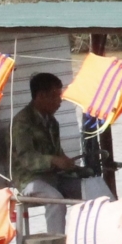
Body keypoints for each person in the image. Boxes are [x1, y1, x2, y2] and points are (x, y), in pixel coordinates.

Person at [11, 72, 80, 235]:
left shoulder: (52, 122)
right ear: (41, 96)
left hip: (52, 177)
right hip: (28, 180)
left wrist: (68, 164)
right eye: (55, 96)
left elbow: (58, 154)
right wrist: (53, 161)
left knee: (90, 190)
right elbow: (26, 158)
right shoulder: (22, 122)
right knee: (55, 200)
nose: (60, 101)